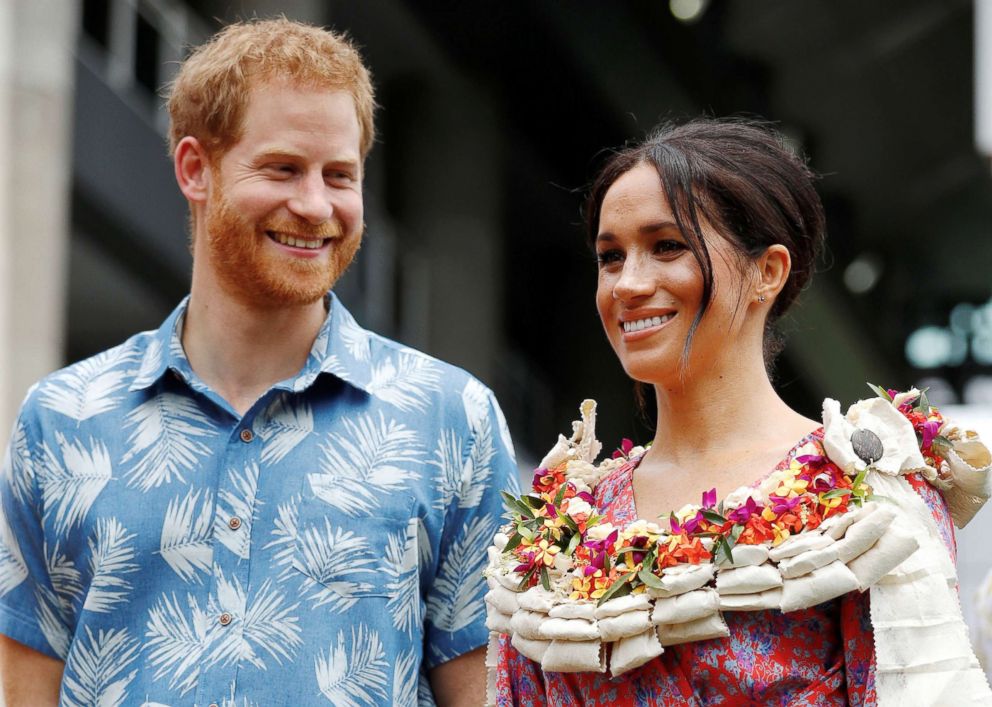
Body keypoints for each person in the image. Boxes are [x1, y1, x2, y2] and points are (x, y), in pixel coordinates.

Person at [0, 18, 517, 707]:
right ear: (195, 169)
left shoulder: (455, 420)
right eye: (282, 169)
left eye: (339, 175)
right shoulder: (63, 419)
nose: (313, 206)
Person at [490, 118, 992, 705]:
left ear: (768, 272)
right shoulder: (559, 528)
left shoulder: (864, 499)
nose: (627, 284)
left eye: (667, 247)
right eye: (609, 256)